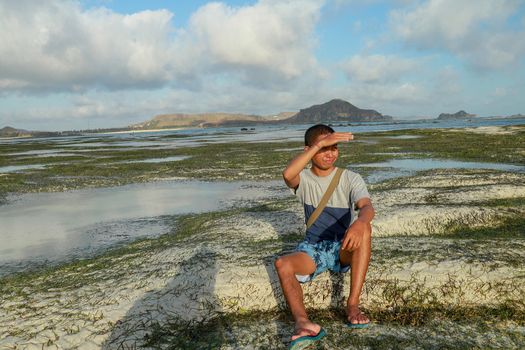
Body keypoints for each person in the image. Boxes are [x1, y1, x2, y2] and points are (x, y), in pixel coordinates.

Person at [274, 124, 375, 347]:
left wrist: (360, 222)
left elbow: (367, 206)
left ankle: (352, 305)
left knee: (365, 228)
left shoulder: (350, 178)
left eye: (334, 147)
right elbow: (287, 174)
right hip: (314, 248)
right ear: (309, 149)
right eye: (324, 148)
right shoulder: (304, 179)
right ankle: (303, 323)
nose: (330, 153)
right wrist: (318, 144)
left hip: (343, 248)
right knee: (282, 263)